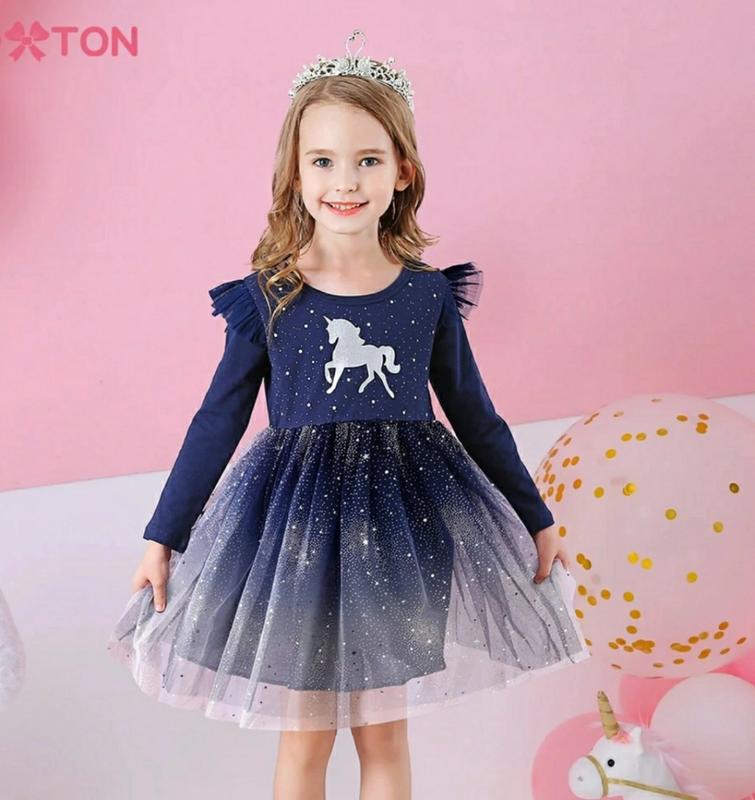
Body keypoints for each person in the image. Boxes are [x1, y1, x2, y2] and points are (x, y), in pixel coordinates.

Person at [106, 28, 591, 800]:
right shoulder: (270, 296)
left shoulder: (427, 294)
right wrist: (163, 534)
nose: (345, 180)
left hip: (405, 528)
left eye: (367, 159)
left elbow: (475, 414)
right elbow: (217, 419)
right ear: (294, 173)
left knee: (383, 732)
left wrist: (536, 517)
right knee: (305, 737)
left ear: (402, 171)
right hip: (294, 536)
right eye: (323, 161)